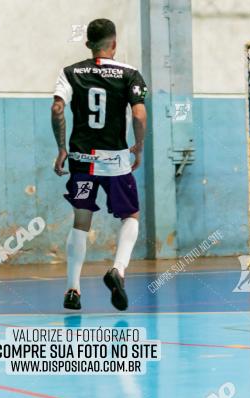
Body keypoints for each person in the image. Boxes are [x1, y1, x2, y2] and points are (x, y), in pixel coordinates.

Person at [52, 18, 148, 311]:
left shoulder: (70, 72)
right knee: (130, 214)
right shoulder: (130, 73)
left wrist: (61, 149)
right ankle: (118, 270)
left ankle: (73, 290)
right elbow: (139, 115)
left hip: (82, 159)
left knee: (81, 221)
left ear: (88, 44)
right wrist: (139, 146)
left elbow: (57, 108)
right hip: (115, 160)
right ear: (114, 44)